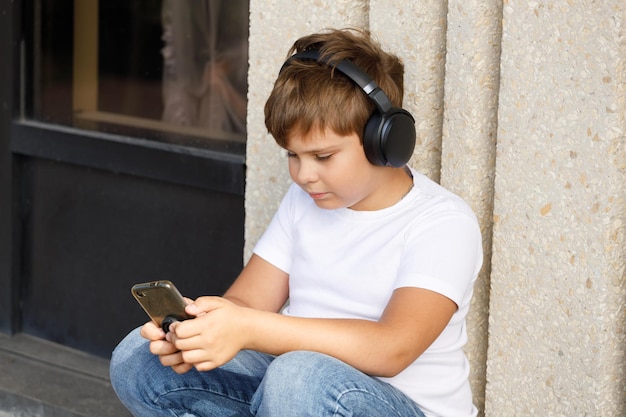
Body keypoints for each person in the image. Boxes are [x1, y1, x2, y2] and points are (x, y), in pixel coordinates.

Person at [110, 28, 483, 417]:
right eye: (293, 155)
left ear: (385, 141)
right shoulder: (304, 201)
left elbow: (392, 349)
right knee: (138, 358)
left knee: (297, 375)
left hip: (393, 405)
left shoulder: (442, 222)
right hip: (294, 397)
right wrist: (202, 329)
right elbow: (249, 302)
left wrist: (251, 329)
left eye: (323, 157)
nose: (303, 175)